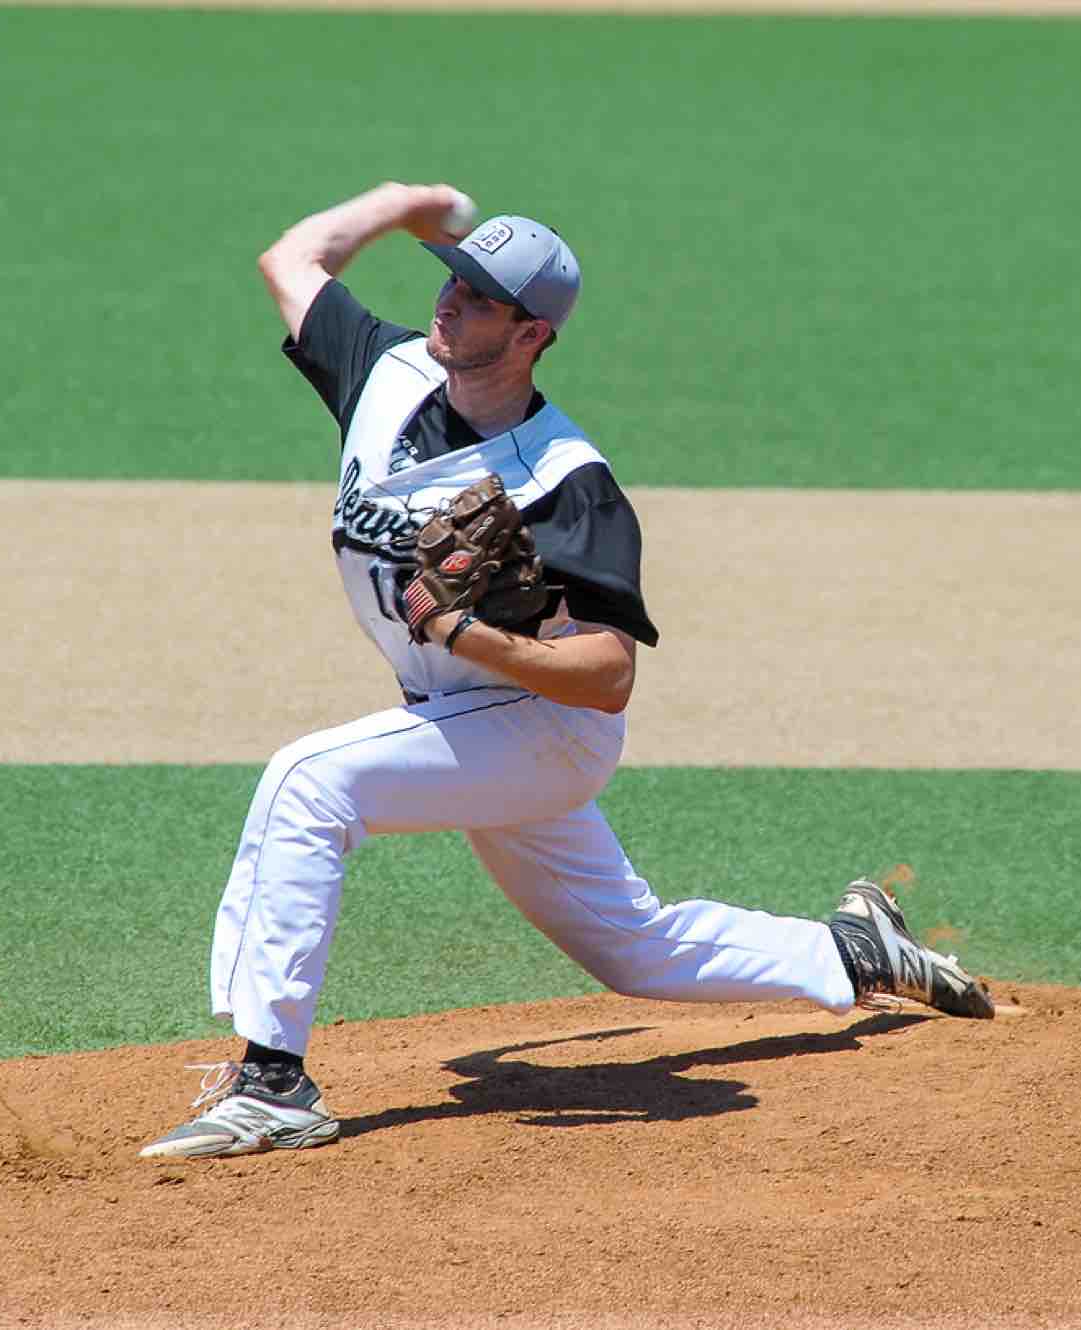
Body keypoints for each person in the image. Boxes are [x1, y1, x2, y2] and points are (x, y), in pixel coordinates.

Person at [138, 182, 992, 1161]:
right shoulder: (385, 370)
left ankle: (271, 1083)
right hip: (455, 718)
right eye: (450, 283)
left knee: (308, 781)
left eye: (478, 298)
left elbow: (606, 672)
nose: (449, 303)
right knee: (632, 947)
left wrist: (469, 637)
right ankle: (857, 950)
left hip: (538, 726)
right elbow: (290, 260)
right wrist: (407, 204)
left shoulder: (564, 479)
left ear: (532, 333)